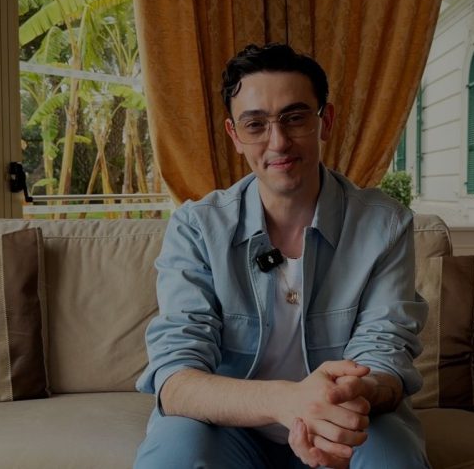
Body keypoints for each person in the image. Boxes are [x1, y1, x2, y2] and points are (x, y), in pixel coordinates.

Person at [134, 43, 430, 469]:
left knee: (392, 458)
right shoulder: (196, 227)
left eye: (295, 118)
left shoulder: (385, 225)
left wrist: (345, 395)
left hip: (343, 415)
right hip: (230, 427)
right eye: (255, 124)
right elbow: (176, 378)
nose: (278, 142)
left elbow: (384, 354)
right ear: (235, 135)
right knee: (174, 454)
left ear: (325, 121)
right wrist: (285, 401)